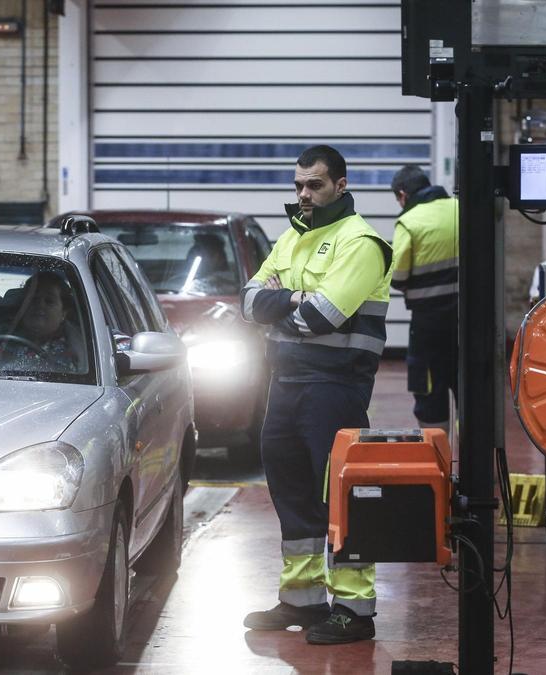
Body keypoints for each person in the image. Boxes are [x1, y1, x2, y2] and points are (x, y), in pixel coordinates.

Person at [239, 145, 393, 644]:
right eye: (299, 185)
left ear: (341, 186)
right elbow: (246, 301)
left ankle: (353, 608)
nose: (304, 194)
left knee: (341, 497)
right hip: (285, 385)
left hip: (336, 388)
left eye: (316, 185)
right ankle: (302, 600)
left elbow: (321, 317)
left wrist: (280, 303)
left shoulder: (361, 242)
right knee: (292, 494)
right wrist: (294, 298)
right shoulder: (291, 238)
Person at [389, 165, 459, 432]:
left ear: (403, 195)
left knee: (429, 391)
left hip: (429, 326)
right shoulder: (459, 207)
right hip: (468, 321)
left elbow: (398, 276)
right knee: (470, 389)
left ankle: (439, 458)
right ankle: (472, 461)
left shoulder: (409, 222)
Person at [0, 272, 80, 373]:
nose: (40, 305)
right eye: (34, 299)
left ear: (63, 313)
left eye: (49, 301)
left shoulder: (77, 349)